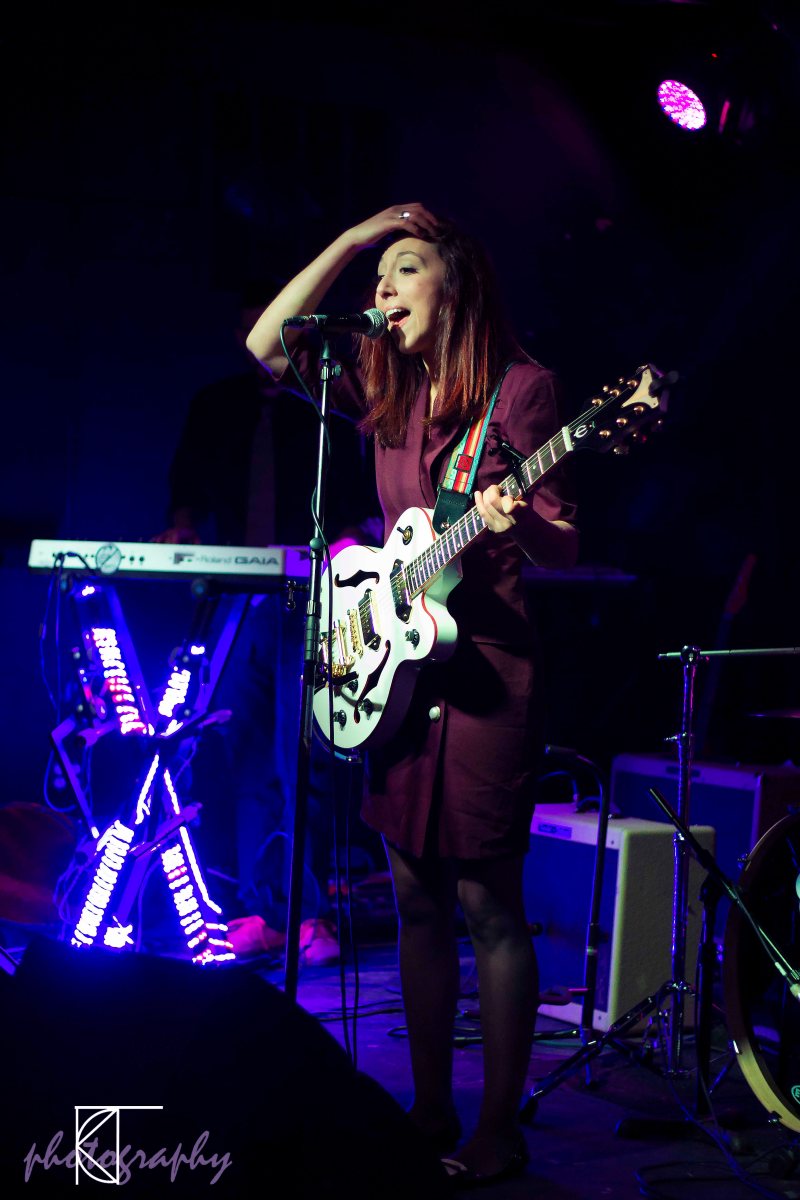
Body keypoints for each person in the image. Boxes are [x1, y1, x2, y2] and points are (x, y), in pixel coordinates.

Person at [244, 202, 579, 1185]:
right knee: (413, 897)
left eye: (403, 267)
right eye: (377, 272)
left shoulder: (522, 390)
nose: (382, 288)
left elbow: (565, 540)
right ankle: (429, 1111)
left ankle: (498, 1130)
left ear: (454, 283)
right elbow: (267, 345)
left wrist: (516, 522)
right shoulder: (385, 385)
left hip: (484, 675)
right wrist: (354, 237)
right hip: (396, 669)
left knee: (485, 902)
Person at [155, 293, 382, 966]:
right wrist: (183, 529)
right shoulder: (216, 403)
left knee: (300, 752)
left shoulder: (326, 408)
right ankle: (266, 910)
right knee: (245, 747)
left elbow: (354, 504)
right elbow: (187, 487)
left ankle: (308, 913)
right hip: (236, 595)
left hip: (307, 595)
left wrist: (350, 548)